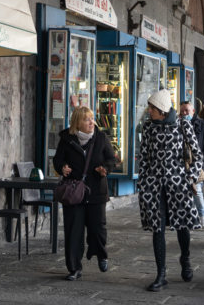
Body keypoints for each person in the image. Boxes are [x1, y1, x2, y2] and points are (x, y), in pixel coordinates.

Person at [138, 89, 202, 292]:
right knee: (157, 228)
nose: (149, 111)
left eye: (152, 109)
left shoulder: (183, 124)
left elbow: (198, 156)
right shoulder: (148, 127)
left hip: (178, 184)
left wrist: (190, 177)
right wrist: (143, 183)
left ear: (163, 111)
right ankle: (161, 274)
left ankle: (185, 258)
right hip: (154, 185)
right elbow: (144, 157)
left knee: (182, 225)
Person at [52, 106, 116, 281]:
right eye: (87, 119)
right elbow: (58, 160)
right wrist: (62, 167)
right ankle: (74, 268)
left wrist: (106, 169)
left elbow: (112, 159)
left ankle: (101, 254)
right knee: (73, 231)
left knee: (98, 228)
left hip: (96, 191)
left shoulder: (101, 138)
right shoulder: (66, 139)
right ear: (77, 122)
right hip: (73, 192)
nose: (91, 122)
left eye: (92, 119)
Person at [179, 100, 204, 228]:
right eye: (182, 111)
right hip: (180, 165)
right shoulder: (177, 125)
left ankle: (203, 216)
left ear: (193, 111)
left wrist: (202, 158)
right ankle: (187, 217)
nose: (184, 113)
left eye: (187, 111)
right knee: (183, 193)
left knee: (197, 191)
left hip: (196, 165)